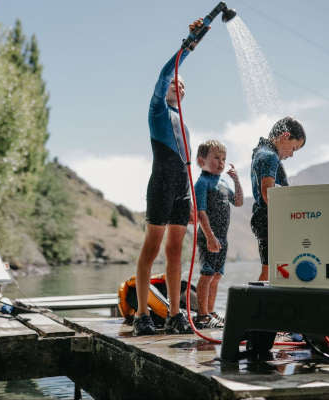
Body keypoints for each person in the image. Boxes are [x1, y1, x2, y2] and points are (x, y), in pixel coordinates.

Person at [133, 19, 206, 336]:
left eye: (184, 86)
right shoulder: (157, 110)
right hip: (161, 183)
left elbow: (187, 161)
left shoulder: (184, 122)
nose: (178, 85)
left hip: (182, 187)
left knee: (175, 250)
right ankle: (141, 314)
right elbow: (165, 74)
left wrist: (191, 195)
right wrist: (188, 44)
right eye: (176, 83)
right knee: (151, 247)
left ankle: (176, 314)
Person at [193, 140, 243, 328]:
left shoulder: (222, 182)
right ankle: (202, 315)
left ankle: (211, 311)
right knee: (206, 275)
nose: (221, 162)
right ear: (202, 161)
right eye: (216, 158)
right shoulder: (202, 183)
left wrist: (236, 180)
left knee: (217, 276)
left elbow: (238, 202)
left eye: (223, 159)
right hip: (209, 236)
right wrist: (210, 237)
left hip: (222, 237)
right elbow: (201, 213)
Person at [250, 116, 306, 281]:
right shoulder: (269, 156)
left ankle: (263, 304)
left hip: (263, 218)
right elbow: (268, 193)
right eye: (294, 149)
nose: (291, 155)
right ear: (285, 136)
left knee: (272, 269)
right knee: (270, 271)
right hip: (269, 220)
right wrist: (289, 216)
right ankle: (258, 305)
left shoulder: (261, 152)